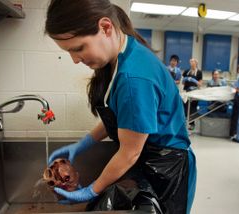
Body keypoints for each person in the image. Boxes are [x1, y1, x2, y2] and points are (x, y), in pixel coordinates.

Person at [45, 1, 196, 213]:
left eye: (78, 48)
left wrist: (90, 191)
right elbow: (122, 117)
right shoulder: (124, 55)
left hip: (166, 169)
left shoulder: (133, 79)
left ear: (106, 28)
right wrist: (84, 143)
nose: (75, 60)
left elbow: (129, 153)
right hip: (148, 157)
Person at [182, 58, 203, 130]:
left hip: (195, 93)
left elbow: (200, 84)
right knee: (185, 107)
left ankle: (192, 124)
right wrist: (185, 79)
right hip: (187, 92)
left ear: (196, 63)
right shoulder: (187, 71)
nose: (191, 63)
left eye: (193, 62)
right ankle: (184, 123)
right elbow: (183, 83)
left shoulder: (199, 72)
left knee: (193, 108)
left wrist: (194, 81)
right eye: (190, 62)